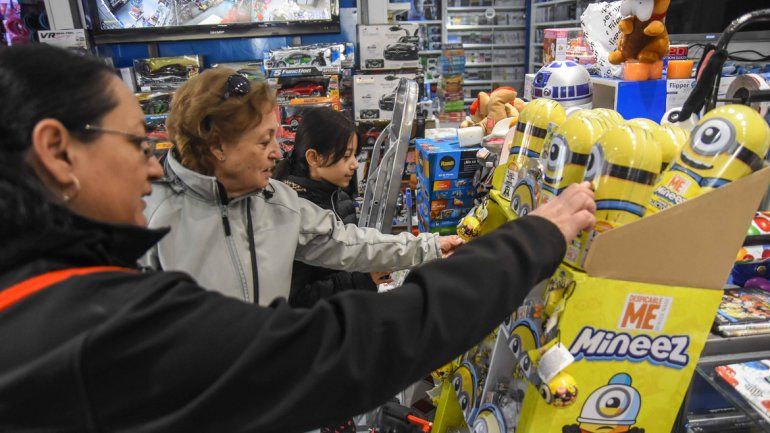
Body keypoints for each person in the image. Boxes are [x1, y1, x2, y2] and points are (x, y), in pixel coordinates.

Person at [0, 44, 596, 432]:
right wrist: (529, 242)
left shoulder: (46, 298)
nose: (151, 167)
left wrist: (427, 248)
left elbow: (349, 244)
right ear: (57, 151)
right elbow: (345, 349)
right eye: (134, 144)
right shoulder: (95, 322)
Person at [141, 68, 463, 306]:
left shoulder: (277, 203)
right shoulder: (147, 217)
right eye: (265, 140)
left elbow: (349, 243)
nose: (277, 152)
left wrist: (432, 247)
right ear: (217, 146)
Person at [275, 108, 391, 308]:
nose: (355, 164)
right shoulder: (294, 213)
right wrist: (363, 279)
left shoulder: (337, 194)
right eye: (346, 156)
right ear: (313, 158)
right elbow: (297, 299)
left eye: (355, 155)